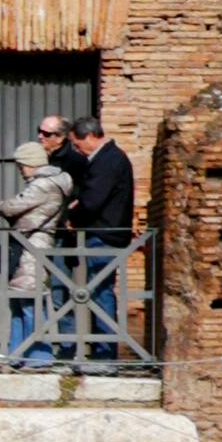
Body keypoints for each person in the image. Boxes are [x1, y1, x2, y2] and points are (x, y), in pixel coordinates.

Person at [62, 107, 142, 373]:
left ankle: (106, 355)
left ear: (89, 137)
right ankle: (102, 352)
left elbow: (93, 199)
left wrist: (73, 212)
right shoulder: (110, 158)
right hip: (106, 233)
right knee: (98, 291)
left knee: (100, 291)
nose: (76, 150)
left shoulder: (107, 160)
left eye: (76, 144)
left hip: (104, 235)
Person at [0, 116, 76, 369]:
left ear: (31, 163)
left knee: (30, 302)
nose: (20, 170)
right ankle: (17, 353)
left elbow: (17, 208)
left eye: (22, 165)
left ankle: (39, 355)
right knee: (19, 301)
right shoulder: (47, 183)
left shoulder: (44, 185)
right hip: (27, 244)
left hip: (33, 246)